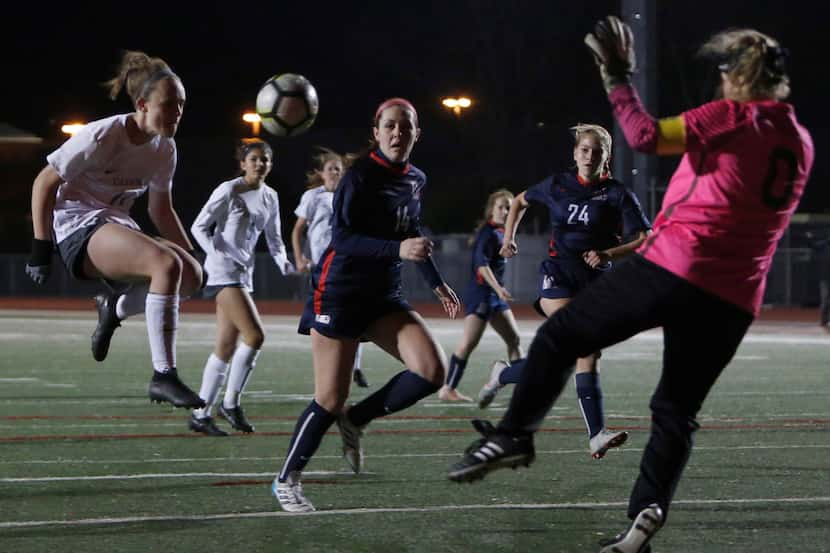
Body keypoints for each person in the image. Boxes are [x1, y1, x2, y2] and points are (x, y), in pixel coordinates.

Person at [448, 18, 813, 553]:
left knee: (561, 337)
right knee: (675, 413)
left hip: (676, 265)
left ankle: (514, 436)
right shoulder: (800, 140)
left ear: (737, 77)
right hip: (735, 296)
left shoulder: (731, 115)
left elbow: (642, 136)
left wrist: (617, 76)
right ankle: (645, 514)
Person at [272, 98, 461, 513]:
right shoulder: (359, 176)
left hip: (383, 295)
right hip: (339, 292)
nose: (398, 133)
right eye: (390, 126)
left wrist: (437, 283)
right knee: (328, 397)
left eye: (406, 127)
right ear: (376, 132)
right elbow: (343, 240)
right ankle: (286, 479)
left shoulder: (416, 179)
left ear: (416, 134)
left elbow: (412, 234)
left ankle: (356, 419)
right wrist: (398, 248)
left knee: (431, 371)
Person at [26, 50, 206, 409]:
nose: (178, 113)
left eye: (182, 104)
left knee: (191, 277)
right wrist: (40, 249)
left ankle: (115, 307)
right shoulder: (100, 136)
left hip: (115, 223)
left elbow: (161, 209)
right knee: (164, 265)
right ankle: (163, 376)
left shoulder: (165, 148)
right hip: (78, 227)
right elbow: (44, 183)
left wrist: (193, 252)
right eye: (169, 104)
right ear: (142, 104)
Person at [476, 123, 651, 460]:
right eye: (584, 149)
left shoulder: (617, 194)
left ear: (606, 157)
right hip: (557, 277)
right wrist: (509, 238)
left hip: (596, 284)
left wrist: (608, 254)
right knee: (581, 342)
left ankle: (507, 375)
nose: (589, 156)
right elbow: (519, 202)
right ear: (575, 153)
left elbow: (646, 237)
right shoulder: (557, 184)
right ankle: (596, 433)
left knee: (582, 354)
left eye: (596, 152)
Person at [187, 139, 294, 436]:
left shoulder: (270, 196)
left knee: (224, 346)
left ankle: (200, 413)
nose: (261, 164)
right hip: (223, 273)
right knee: (255, 335)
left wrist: (283, 262)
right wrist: (215, 252)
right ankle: (231, 403)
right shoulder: (229, 190)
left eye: (266, 160)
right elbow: (199, 226)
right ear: (243, 163)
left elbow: (274, 239)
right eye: (255, 159)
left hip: (242, 275)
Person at [291, 148, 370, 388]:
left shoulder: (350, 194)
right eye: (331, 169)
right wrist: (299, 257)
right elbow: (298, 230)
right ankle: (330, 368)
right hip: (322, 267)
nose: (336, 172)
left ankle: (355, 367)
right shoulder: (312, 196)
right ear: (321, 173)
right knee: (326, 318)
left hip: (347, 263)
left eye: (339, 169)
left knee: (356, 313)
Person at [438, 189, 522, 402]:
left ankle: (522, 386)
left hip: (494, 297)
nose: (505, 211)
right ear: (491, 209)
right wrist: (499, 289)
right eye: (501, 206)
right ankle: (448, 388)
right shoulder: (488, 233)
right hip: (482, 295)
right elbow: (481, 266)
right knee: (467, 344)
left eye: (509, 207)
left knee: (514, 339)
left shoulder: (502, 233)